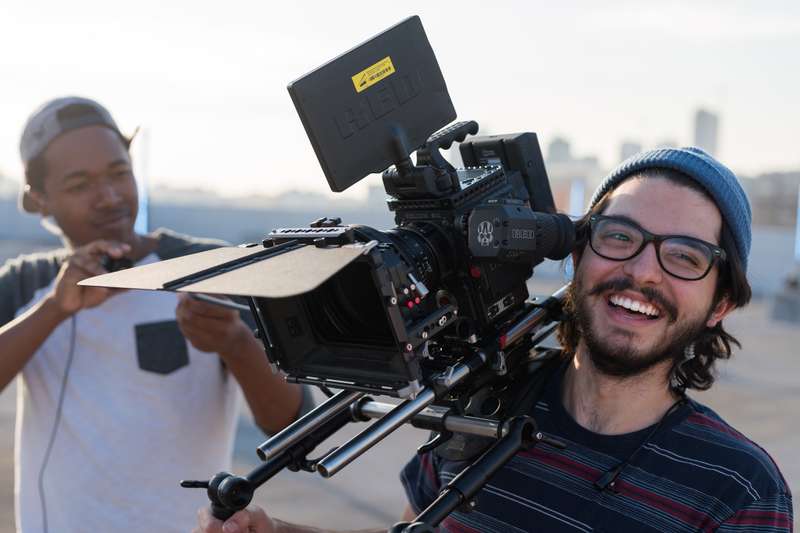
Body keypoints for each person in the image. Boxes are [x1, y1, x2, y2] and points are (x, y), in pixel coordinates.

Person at [196, 147, 793, 533]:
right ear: (575, 252)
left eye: (684, 255)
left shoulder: (739, 489)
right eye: (619, 236)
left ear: (721, 304)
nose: (642, 271)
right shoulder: (491, 398)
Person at [0, 96, 310, 532]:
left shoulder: (207, 269)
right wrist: (53, 309)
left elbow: (292, 426)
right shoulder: (26, 283)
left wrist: (235, 344)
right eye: (79, 185)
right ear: (41, 201)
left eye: (119, 173)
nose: (108, 197)